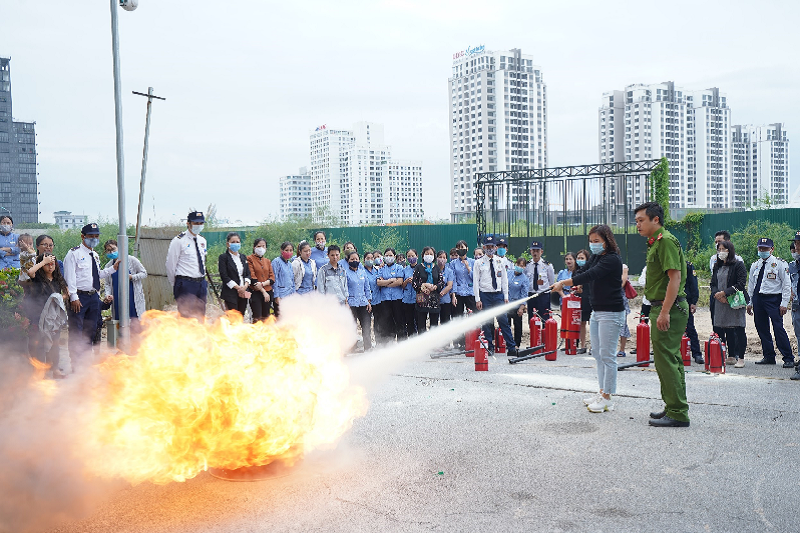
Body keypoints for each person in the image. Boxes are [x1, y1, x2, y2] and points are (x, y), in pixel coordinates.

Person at [552, 225, 624, 413]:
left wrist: (564, 282)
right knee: (598, 354)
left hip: (611, 312)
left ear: (607, 241)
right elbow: (583, 274)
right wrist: (575, 285)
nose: (593, 245)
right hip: (597, 311)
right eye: (591, 241)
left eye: (597, 241)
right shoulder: (596, 257)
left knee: (608, 356)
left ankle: (608, 397)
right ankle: (602, 391)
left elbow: (591, 274)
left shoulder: (612, 259)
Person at [635, 202, 690, 428]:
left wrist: (664, 311)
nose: (637, 225)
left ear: (655, 219)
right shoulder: (657, 242)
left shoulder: (665, 241)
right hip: (663, 306)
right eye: (636, 221)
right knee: (669, 360)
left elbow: (674, 278)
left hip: (669, 307)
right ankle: (673, 406)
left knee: (667, 361)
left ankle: (678, 412)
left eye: (641, 220)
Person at [63, 223, 116, 368]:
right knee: (77, 331)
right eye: (91, 236)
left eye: (96, 236)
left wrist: (112, 269)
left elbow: (97, 276)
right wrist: (73, 297)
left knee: (90, 330)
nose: (94, 239)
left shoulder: (95, 255)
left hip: (93, 297)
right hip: (79, 298)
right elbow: (70, 277)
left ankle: (85, 363)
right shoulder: (73, 254)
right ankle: (76, 364)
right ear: (83, 237)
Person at [747, 237, 793, 368]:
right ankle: (769, 356)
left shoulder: (780, 264)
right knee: (761, 327)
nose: (762, 251)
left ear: (772, 249)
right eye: (760, 248)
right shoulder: (755, 265)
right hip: (758, 298)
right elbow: (751, 284)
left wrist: (784, 303)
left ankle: (788, 357)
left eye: (765, 248)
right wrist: (750, 302)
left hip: (773, 299)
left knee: (778, 328)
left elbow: (786, 284)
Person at [24, 253, 68, 378]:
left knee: (55, 343)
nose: (50, 266)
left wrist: (57, 298)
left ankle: (55, 369)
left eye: (52, 264)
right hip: (38, 315)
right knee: (38, 343)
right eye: (47, 264)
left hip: (53, 317)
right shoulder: (37, 278)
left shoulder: (58, 279)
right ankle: (39, 371)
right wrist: (43, 261)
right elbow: (30, 272)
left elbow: (66, 292)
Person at [473, 235, 516, 357]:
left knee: (503, 320)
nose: (490, 249)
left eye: (492, 246)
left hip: (498, 295)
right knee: (487, 322)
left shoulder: (500, 261)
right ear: (484, 247)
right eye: (487, 246)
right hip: (485, 295)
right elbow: (476, 282)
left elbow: (504, 280)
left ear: (495, 247)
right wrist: (478, 299)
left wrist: (506, 296)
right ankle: (489, 347)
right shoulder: (478, 262)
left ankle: (511, 347)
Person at [711, 240, 748, 368]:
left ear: (730, 251)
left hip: (735, 301)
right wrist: (717, 294)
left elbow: (740, 284)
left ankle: (741, 358)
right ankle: (731, 356)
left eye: (724, 250)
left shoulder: (738, 265)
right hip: (720, 302)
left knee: (738, 327)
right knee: (726, 328)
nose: (721, 252)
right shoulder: (717, 265)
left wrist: (725, 293)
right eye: (719, 249)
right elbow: (713, 283)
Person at [166, 211, 208, 319]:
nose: (198, 226)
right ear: (188, 223)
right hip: (186, 283)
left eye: (201, 223)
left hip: (201, 283)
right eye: (195, 223)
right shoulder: (179, 240)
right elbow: (170, 265)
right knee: (186, 318)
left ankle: (200, 335)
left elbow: (202, 261)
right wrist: (175, 284)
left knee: (200, 316)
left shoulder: (202, 240)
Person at [102, 239, 148, 327]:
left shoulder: (131, 260)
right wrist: (108, 294)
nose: (111, 252)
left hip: (132, 298)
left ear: (119, 248)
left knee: (135, 322)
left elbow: (144, 273)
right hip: (117, 299)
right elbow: (107, 283)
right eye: (108, 250)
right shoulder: (108, 266)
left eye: (113, 249)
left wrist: (132, 277)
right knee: (121, 324)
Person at [218, 232, 252, 316]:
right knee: (233, 318)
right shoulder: (223, 258)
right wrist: (238, 288)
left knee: (241, 316)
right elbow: (224, 276)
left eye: (237, 242)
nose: (235, 244)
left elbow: (248, 273)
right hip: (231, 293)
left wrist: (245, 287)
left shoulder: (243, 257)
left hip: (244, 291)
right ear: (228, 244)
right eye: (233, 242)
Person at [412, 246, 445, 333]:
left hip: (434, 299)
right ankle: (422, 343)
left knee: (434, 324)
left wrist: (435, 287)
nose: (429, 255)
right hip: (421, 297)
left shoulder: (437, 268)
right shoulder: (418, 267)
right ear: (423, 255)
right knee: (421, 323)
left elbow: (441, 282)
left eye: (431, 254)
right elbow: (414, 282)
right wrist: (423, 286)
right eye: (427, 254)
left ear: (434, 256)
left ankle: (433, 344)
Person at [345, 251, 373, 351]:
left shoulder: (362, 272)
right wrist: (346, 302)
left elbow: (367, 288)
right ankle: (351, 348)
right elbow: (344, 289)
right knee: (351, 327)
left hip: (363, 303)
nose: (354, 261)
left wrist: (369, 301)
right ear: (348, 260)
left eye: (356, 259)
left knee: (366, 327)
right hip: (351, 303)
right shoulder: (345, 273)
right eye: (352, 259)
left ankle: (368, 348)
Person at [377, 248, 406, 342]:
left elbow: (400, 282)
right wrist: (391, 280)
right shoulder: (381, 268)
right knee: (387, 321)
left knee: (399, 320)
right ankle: (389, 343)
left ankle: (402, 342)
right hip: (385, 299)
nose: (388, 257)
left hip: (397, 299)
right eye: (386, 255)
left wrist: (385, 283)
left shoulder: (399, 268)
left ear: (394, 256)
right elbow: (378, 283)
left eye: (390, 255)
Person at [451, 240, 476, 347]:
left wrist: (468, 268)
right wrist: (454, 295)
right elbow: (453, 279)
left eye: (462, 247)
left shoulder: (473, 262)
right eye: (458, 248)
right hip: (459, 294)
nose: (461, 250)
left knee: (473, 316)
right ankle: (460, 342)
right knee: (458, 317)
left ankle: (473, 339)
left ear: (467, 249)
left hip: (470, 293)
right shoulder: (452, 263)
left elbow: (475, 278)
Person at [246, 238, 275, 322]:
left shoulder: (267, 261)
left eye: (263, 246)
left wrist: (262, 284)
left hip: (268, 292)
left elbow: (272, 278)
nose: (261, 248)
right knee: (257, 318)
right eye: (259, 246)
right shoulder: (249, 259)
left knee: (266, 317)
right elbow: (253, 279)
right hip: (255, 293)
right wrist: (263, 292)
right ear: (254, 247)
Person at [525, 241, 555, 321]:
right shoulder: (527, 265)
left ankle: (545, 333)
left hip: (543, 295)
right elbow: (524, 280)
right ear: (530, 251)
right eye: (533, 250)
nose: (535, 253)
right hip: (531, 295)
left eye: (537, 251)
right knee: (532, 317)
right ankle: (533, 333)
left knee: (545, 318)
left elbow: (551, 281)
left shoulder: (547, 265)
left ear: (541, 252)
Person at [684, 261, 704, 365]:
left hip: (685, 301)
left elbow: (693, 283)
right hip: (670, 300)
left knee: (689, 328)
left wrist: (693, 302)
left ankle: (697, 354)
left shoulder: (688, 266)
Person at [508, 257, 530, 348]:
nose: (519, 267)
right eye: (518, 265)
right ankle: (508, 343)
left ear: (524, 267)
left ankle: (517, 344)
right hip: (506, 304)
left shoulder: (524, 279)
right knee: (506, 325)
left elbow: (524, 294)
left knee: (517, 325)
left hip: (517, 305)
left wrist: (522, 307)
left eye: (521, 266)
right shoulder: (508, 273)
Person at [573, 249, 592, 354]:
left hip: (591, 298)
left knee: (593, 323)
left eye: (582, 258)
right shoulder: (575, 272)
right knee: (582, 323)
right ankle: (583, 345)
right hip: (580, 300)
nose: (580, 260)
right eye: (578, 258)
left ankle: (593, 346)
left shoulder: (591, 270)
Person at [271, 242, 296, 315]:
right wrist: (276, 296)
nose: (289, 252)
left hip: (289, 296)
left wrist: (294, 295)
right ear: (282, 251)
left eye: (291, 250)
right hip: (281, 295)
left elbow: (292, 281)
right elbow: (275, 280)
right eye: (286, 250)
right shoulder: (276, 262)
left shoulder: (290, 264)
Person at [364, 252, 383, 340]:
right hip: (367, 302)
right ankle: (368, 344)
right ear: (364, 260)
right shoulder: (361, 271)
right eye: (368, 258)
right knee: (366, 324)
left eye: (372, 258)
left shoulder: (377, 270)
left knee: (378, 323)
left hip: (378, 300)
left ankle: (378, 342)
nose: (370, 260)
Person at [789, 235, 800, 380]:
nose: (797, 247)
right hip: (797, 307)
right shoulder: (792, 265)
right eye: (796, 243)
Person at [401, 248, 418, 336]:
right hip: (407, 299)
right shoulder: (405, 269)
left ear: (417, 256)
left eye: (413, 256)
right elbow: (402, 285)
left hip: (417, 299)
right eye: (409, 256)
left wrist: (415, 282)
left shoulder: (421, 268)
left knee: (418, 321)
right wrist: (407, 281)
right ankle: (411, 339)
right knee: (409, 321)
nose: (411, 258)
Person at [435, 250, 454, 326]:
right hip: (434, 300)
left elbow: (449, 285)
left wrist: (441, 294)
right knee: (434, 322)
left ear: (446, 259)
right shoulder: (433, 270)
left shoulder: (449, 271)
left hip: (445, 299)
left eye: (444, 257)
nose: (442, 259)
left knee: (445, 322)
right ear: (436, 258)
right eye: (440, 257)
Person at [617, 263, 631, 357]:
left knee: (623, 324)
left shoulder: (623, 267)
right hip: (605, 298)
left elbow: (622, 282)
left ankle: (622, 349)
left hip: (620, 298)